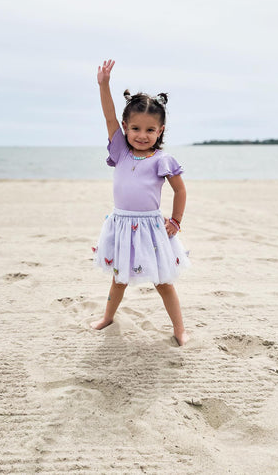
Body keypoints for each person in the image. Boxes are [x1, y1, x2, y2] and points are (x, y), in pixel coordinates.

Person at [90, 59, 190, 346]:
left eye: (149, 130)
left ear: (160, 130)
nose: (142, 135)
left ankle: (180, 329)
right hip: (121, 225)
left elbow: (180, 191)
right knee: (119, 279)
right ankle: (108, 316)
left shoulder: (162, 160)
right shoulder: (121, 151)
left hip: (151, 229)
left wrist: (176, 221)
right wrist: (104, 85)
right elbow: (108, 117)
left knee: (163, 282)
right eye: (135, 128)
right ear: (125, 127)